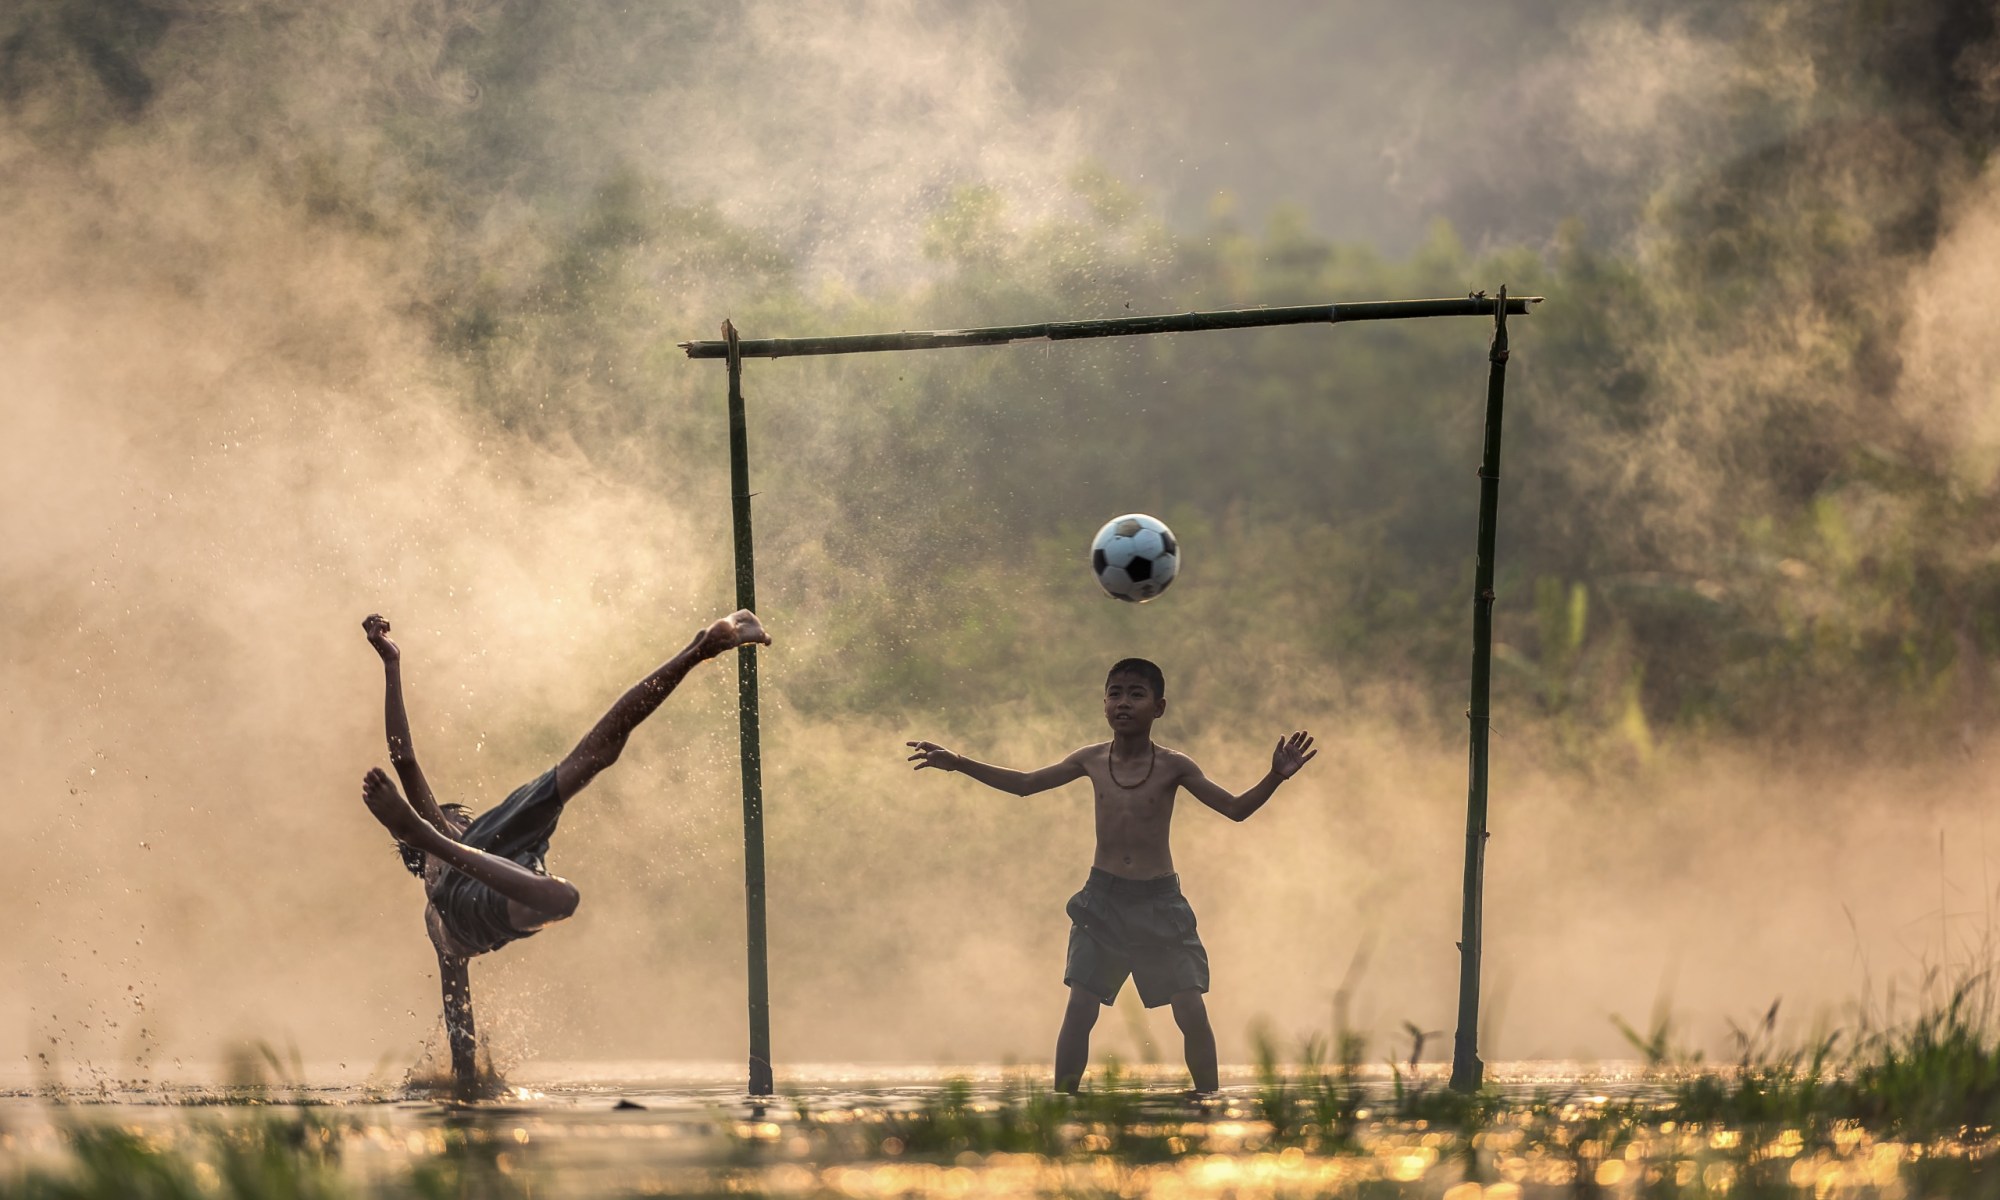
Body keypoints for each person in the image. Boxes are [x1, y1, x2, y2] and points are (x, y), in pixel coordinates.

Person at [358, 609, 769, 1091]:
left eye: (460, 821)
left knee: (593, 764)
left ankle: (702, 647)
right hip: (466, 893)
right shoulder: (440, 901)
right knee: (564, 863)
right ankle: (698, 650)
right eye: (454, 821)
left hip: (495, 860)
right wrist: (390, 664)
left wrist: (392, 663)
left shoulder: (472, 849)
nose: (462, 821)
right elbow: (403, 758)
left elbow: (459, 1019)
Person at [906, 657, 1314, 1095]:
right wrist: (959, 763)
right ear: (1103, 704)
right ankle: (1063, 1104)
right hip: (1103, 902)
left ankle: (1208, 1102)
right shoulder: (1092, 759)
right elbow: (1025, 784)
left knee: (1190, 1008)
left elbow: (1234, 809)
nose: (1123, 703)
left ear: (1159, 707)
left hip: (1160, 904)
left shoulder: (1175, 766)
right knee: (1080, 1007)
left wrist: (1275, 776)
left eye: (1136, 695)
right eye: (1115, 694)